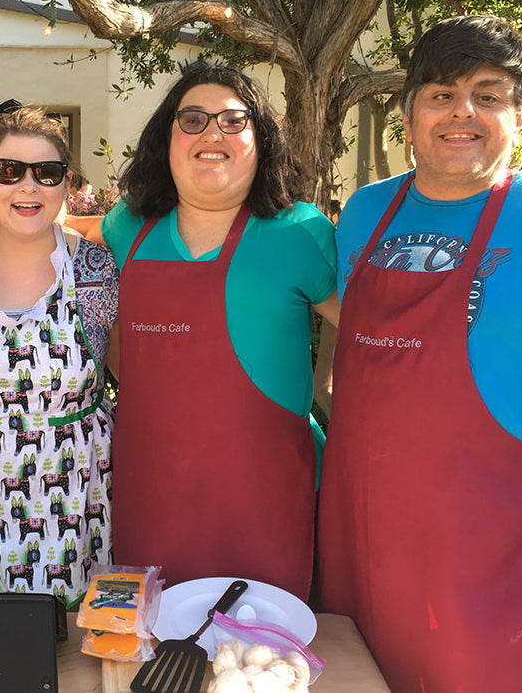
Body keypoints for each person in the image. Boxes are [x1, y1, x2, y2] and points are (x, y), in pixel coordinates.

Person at [317, 15, 522, 692]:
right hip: (364, 541)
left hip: (495, 550)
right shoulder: (363, 212)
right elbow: (339, 333)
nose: (461, 111)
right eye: (440, 93)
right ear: (408, 117)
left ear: (520, 116)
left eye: (488, 93)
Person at [80, 60, 339, 603]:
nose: (212, 133)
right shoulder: (129, 225)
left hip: (267, 503)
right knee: (144, 662)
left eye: (232, 120)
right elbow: (56, 231)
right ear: (165, 140)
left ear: (260, 141)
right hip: (151, 498)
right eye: (193, 119)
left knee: (261, 666)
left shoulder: (302, 231)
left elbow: (373, 333)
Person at [0, 104, 118, 606]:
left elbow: (138, 375)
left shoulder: (98, 268)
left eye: (48, 173)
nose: (28, 187)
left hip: (76, 496)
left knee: (75, 660)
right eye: (9, 171)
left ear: (68, 184)